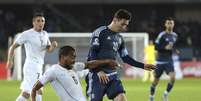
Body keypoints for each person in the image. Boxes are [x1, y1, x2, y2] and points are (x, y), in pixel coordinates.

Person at [86, 9, 156, 101]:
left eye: (126, 25)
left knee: (121, 98)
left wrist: (143, 65)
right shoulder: (100, 32)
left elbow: (125, 58)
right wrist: (99, 71)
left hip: (112, 75)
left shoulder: (119, 38)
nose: (124, 27)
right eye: (122, 24)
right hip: (97, 75)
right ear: (115, 20)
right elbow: (92, 53)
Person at [31, 45, 119, 101]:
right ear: (63, 57)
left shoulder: (74, 67)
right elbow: (35, 88)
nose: (74, 60)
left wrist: (107, 62)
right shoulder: (53, 71)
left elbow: (89, 64)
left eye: (75, 57)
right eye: (72, 57)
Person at [6, 12, 58, 101]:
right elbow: (13, 47)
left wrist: (53, 46)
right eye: (38, 21)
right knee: (38, 90)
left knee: (26, 94)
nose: (41, 23)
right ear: (33, 22)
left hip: (39, 66)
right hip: (31, 66)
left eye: (42, 21)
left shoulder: (45, 34)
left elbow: (48, 49)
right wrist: (10, 60)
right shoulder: (27, 34)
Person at [149, 17, 178, 101]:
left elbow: (173, 45)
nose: (170, 24)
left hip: (169, 61)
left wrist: (175, 49)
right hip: (160, 62)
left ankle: (165, 94)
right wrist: (165, 48)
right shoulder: (161, 35)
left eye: (171, 23)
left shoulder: (175, 35)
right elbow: (156, 47)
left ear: (173, 24)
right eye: (168, 23)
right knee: (155, 81)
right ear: (165, 24)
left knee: (172, 78)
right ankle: (151, 96)